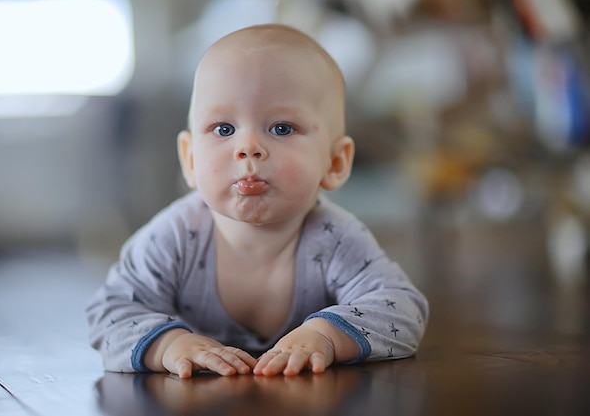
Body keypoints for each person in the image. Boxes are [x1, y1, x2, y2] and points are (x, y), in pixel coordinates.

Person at [86, 23, 429, 379]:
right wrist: (169, 345)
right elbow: (110, 312)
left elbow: (403, 308)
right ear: (189, 159)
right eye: (223, 129)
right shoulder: (173, 237)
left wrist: (325, 336)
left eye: (281, 128)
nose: (248, 147)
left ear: (335, 162)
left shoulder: (335, 238)